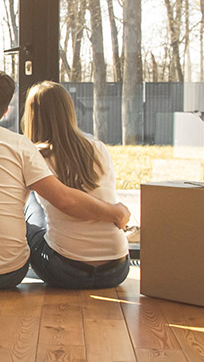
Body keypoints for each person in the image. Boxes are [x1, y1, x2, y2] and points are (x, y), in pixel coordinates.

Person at [0, 69, 131, 291]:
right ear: (6, 111)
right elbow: (66, 198)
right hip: (14, 273)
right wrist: (116, 212)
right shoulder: (25, 146)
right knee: (32, 194)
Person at [21, 81, 131, 289]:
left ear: (32, 115)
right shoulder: (97, 148)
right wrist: (117, 212)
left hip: (67, 271)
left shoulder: (33, 157)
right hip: (117, 269)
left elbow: (66, 202)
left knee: (29, 211)